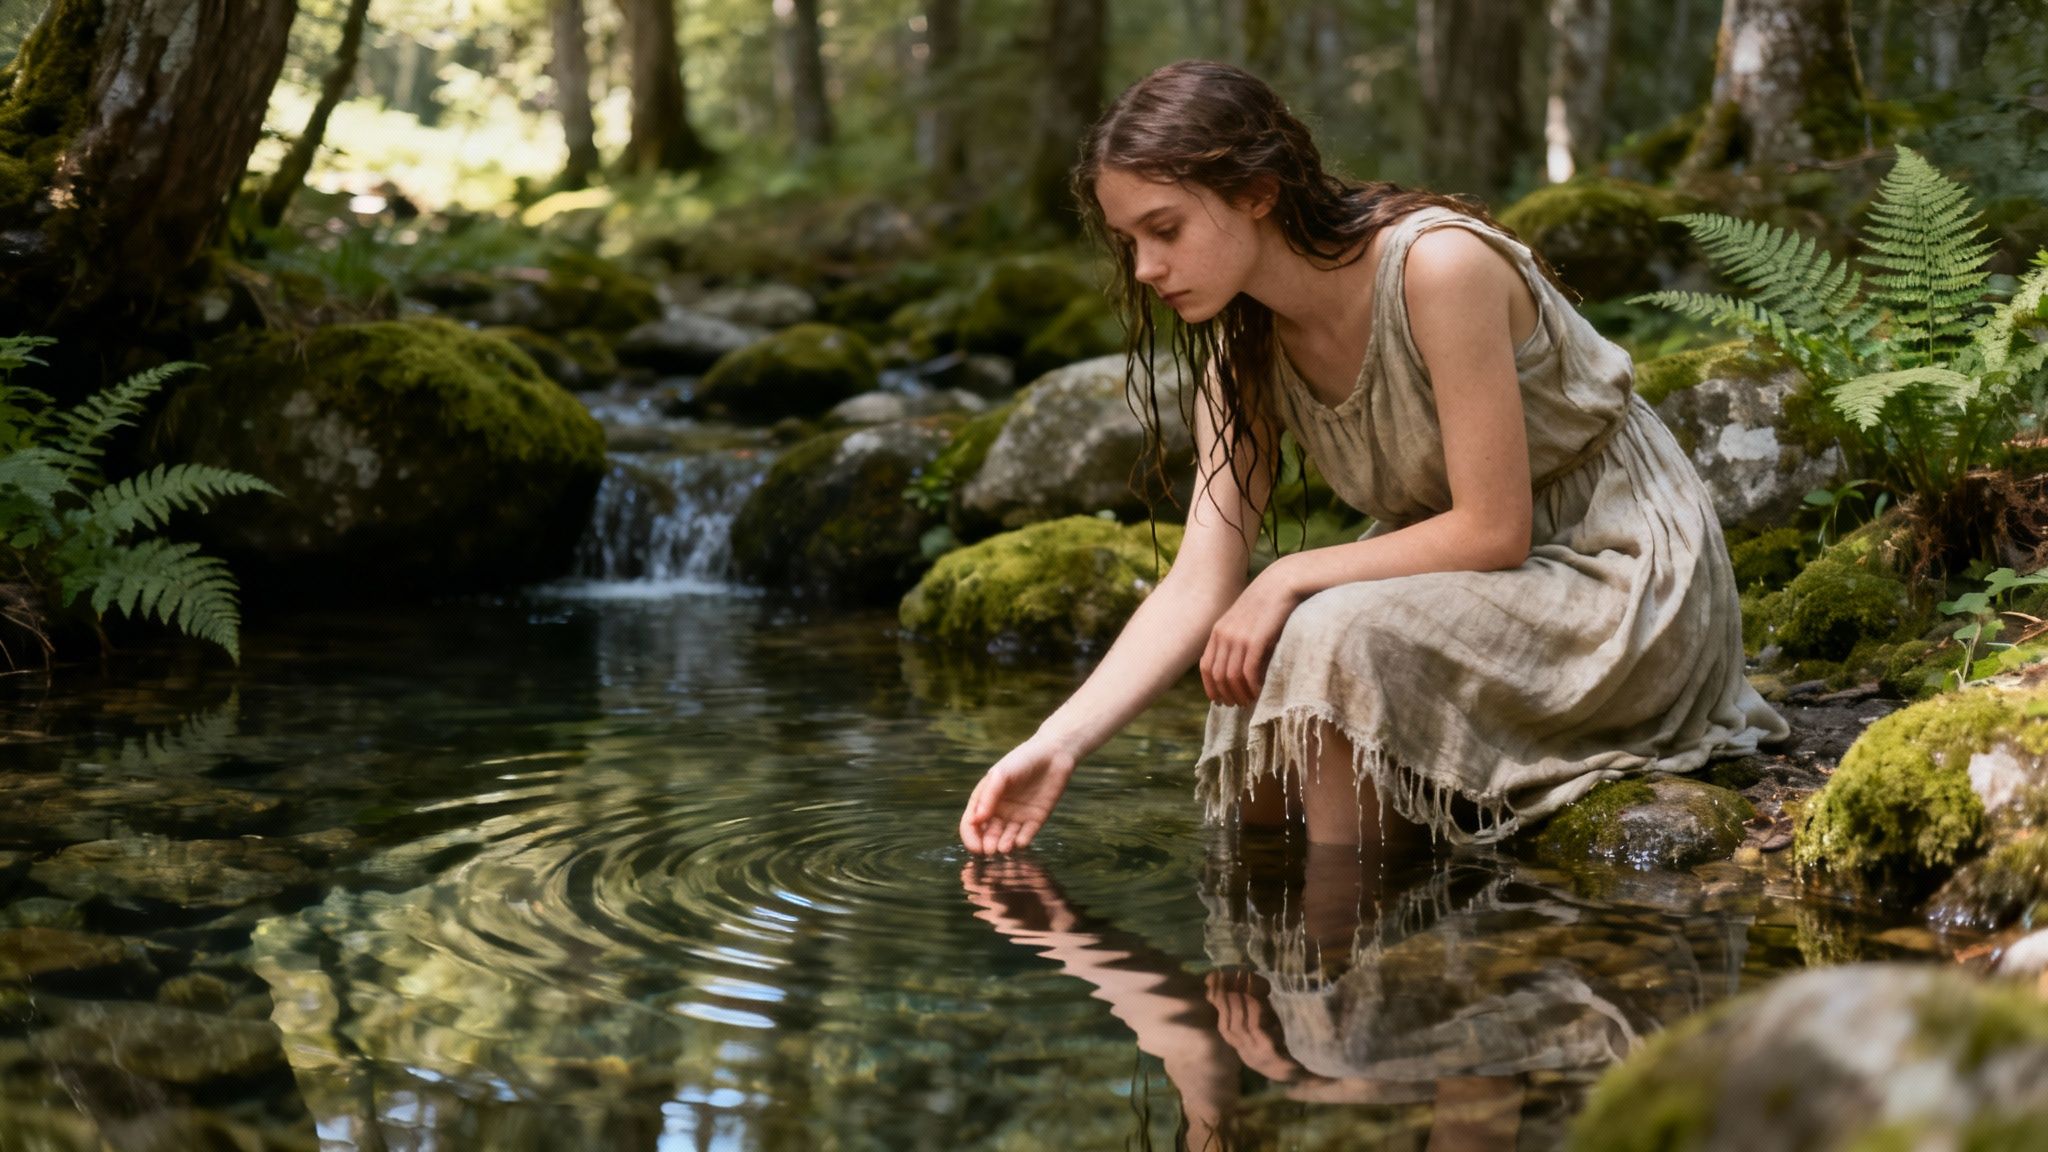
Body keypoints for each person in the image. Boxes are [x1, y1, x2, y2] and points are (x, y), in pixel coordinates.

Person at [958, 60, 1788, 856]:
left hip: (1615, 573)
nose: (1144, 269)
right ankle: (1267, 953)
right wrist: (1055, 744)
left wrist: (1287, 575)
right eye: (1128, 241)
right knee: (1263, 673)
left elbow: (1494, 530)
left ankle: (1345, 939)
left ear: (1256, 192)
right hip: (1472, 579)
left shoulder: (1438, 267)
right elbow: (1199, 582)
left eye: (1164, 230)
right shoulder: (1241, 355)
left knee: (1318, 627)